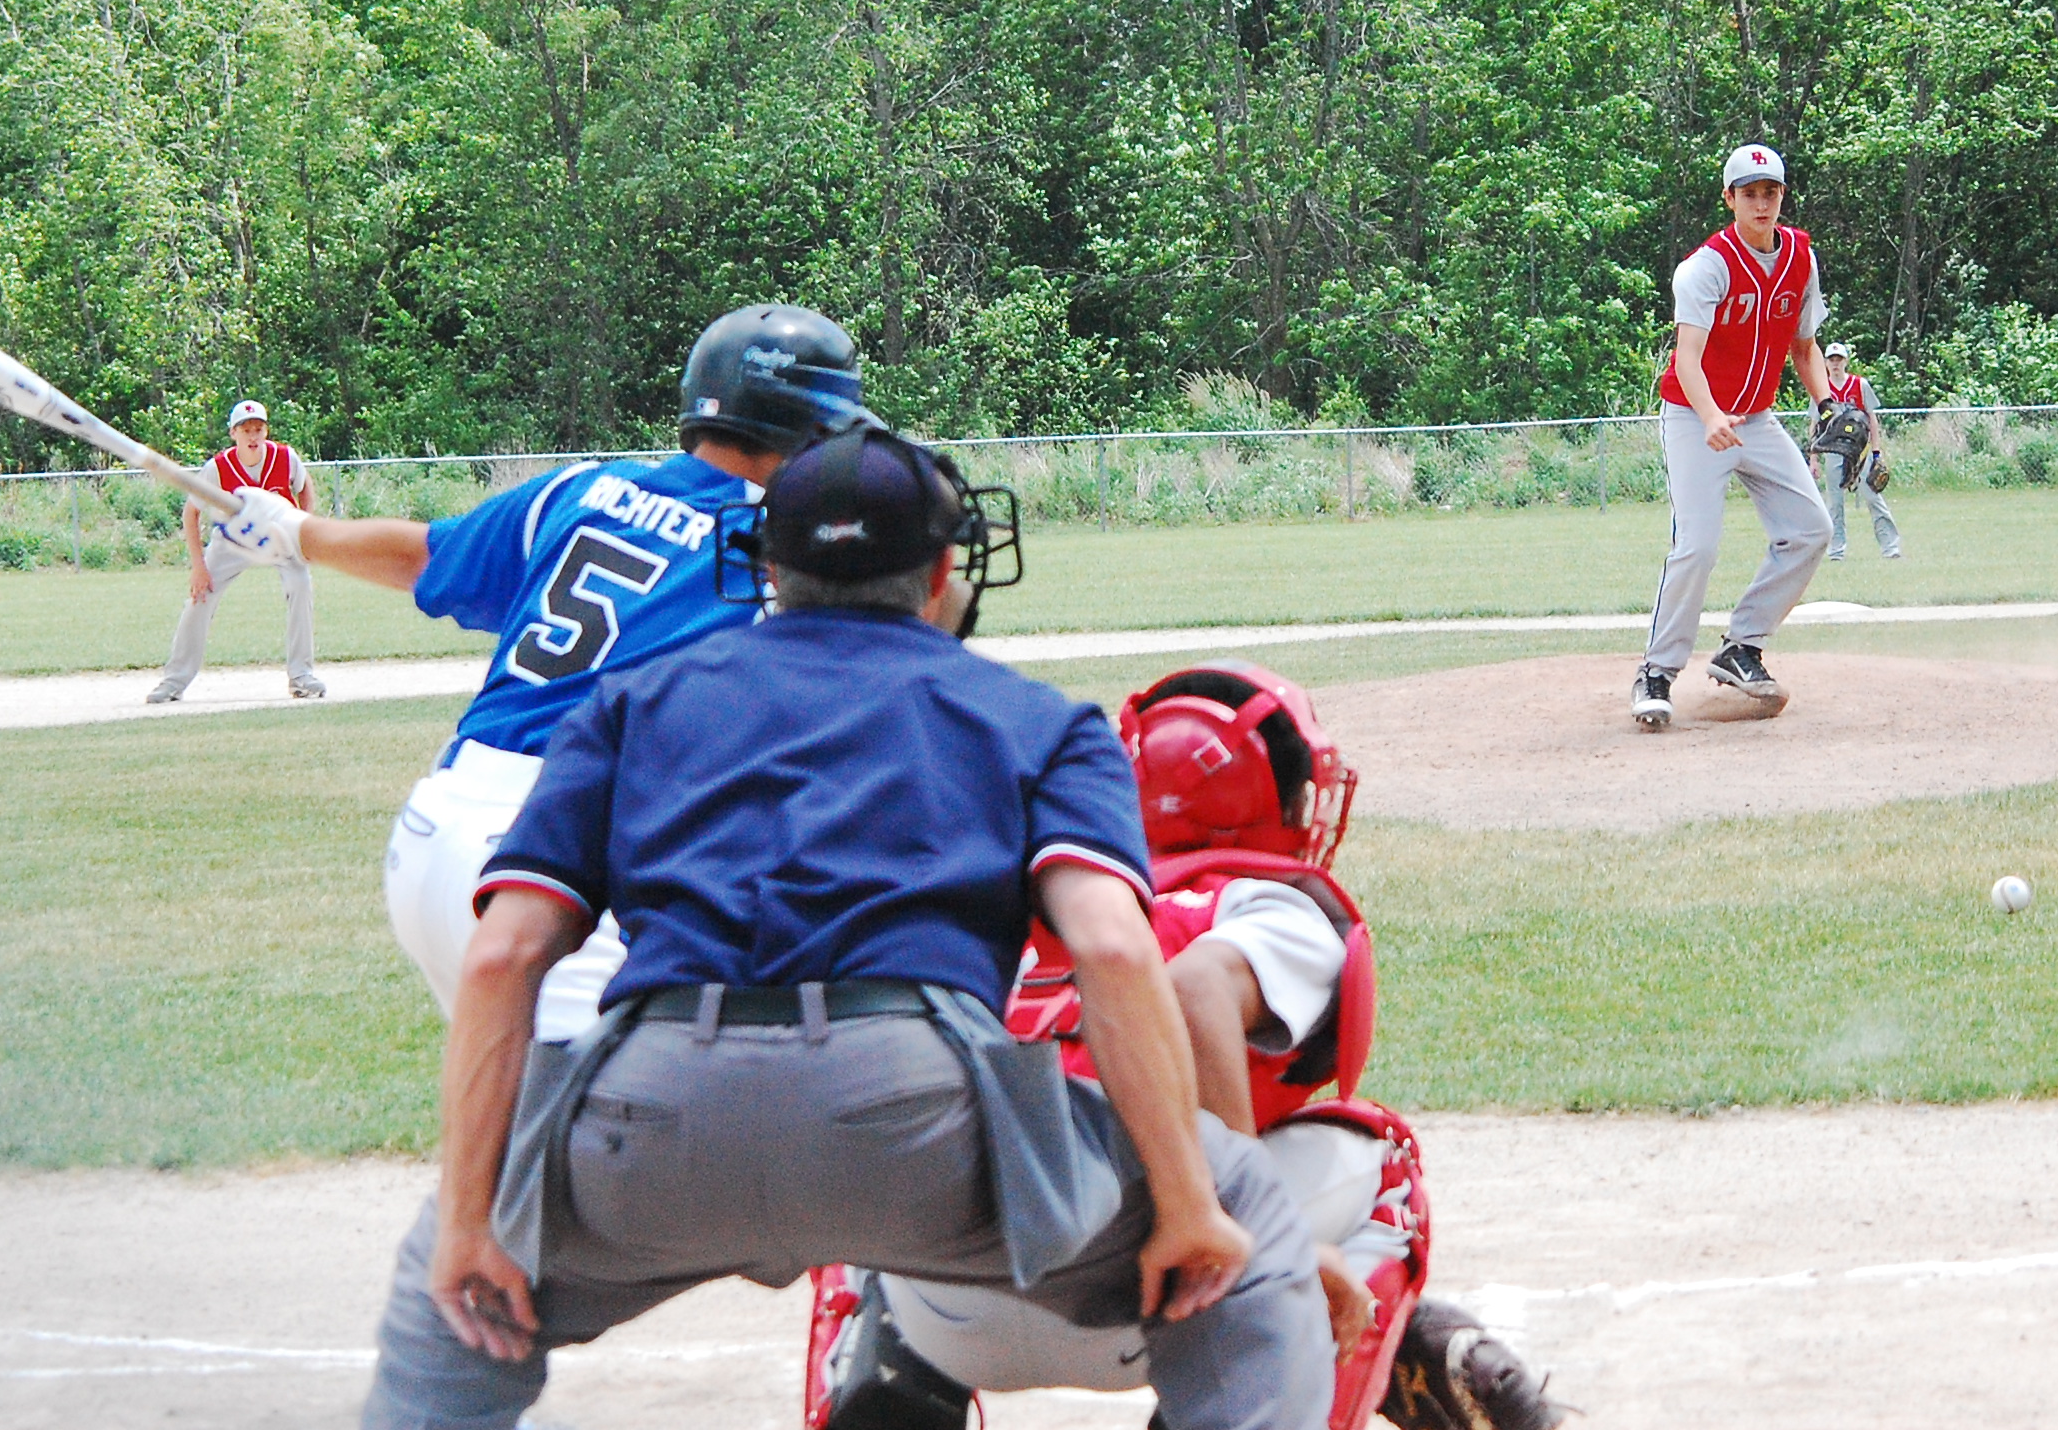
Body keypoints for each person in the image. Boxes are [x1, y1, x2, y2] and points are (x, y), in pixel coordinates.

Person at [356, 427, 1334, 1430]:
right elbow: (1115, 949)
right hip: (921, 1125)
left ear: (765, 568)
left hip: (651, 1121)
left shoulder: (629, 701)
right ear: (942, 572)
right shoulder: (1036, 718)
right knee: (1244, 1208)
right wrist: (1186, 1204)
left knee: (455, 1268)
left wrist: (472, 1220)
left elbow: (505, 955)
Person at [811, 661, 1562, 1430]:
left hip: (945, 1304)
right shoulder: (1264, 906)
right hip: (1158, 1291)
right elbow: (1197, 989)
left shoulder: (1042, 899)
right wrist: (1254, 1225)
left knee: (884, 1160)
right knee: (1384, 1159)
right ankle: (1276, 1387)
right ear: (1280, 802)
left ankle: (865, 1395)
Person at [212, 305, 875, 1035]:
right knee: (632, 1100)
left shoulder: (581, 489)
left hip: (434, 833)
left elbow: (426, 556)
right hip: (560, 867)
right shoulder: (778, 553)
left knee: (506, 1096)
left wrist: (297, 531)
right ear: (810, 434)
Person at [1631, 142, 1834, 729]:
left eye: (1770, 191)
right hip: (1695, 419)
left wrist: (1828, 402)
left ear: (1782, 195)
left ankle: (1742, 645)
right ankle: (1656, 672)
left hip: (1756, 420)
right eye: (1749, 193)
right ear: (1730, 199)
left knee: (1811, 529)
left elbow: (1803, 347)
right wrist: (1711, 415)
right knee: (1697, 545)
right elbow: (1687, 358)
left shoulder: (1800, 258)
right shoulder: (1707, 267)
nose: (1761, 203)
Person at [147, 399, 323, 703]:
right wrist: (198, 567)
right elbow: (191, 512)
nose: (253, 436)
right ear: (233, 433)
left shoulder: (284, 457)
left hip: (279, 535)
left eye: (258, 429)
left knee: (301, 585)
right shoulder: (218, 467)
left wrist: (305, 528)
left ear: (266, 431)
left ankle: (301, 676)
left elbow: (304, 486)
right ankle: (174, 681)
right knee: (199, 597)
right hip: (234, 540)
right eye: (245, 430)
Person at [1818, 342, 1903, 563]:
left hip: (1861, 450)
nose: (1835, 364)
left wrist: (1876, 453)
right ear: (1825, 363)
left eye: (1839, 359)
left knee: (1873, 497)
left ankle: (1891, 547)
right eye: (1831, 359)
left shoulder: (1859, 384)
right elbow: (1815, 424)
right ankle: (1836, 551)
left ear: (1845, 361)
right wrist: (1813, 459)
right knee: (1834, 504)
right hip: (1833, 450)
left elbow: (1872, 419)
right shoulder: (1821, 388)